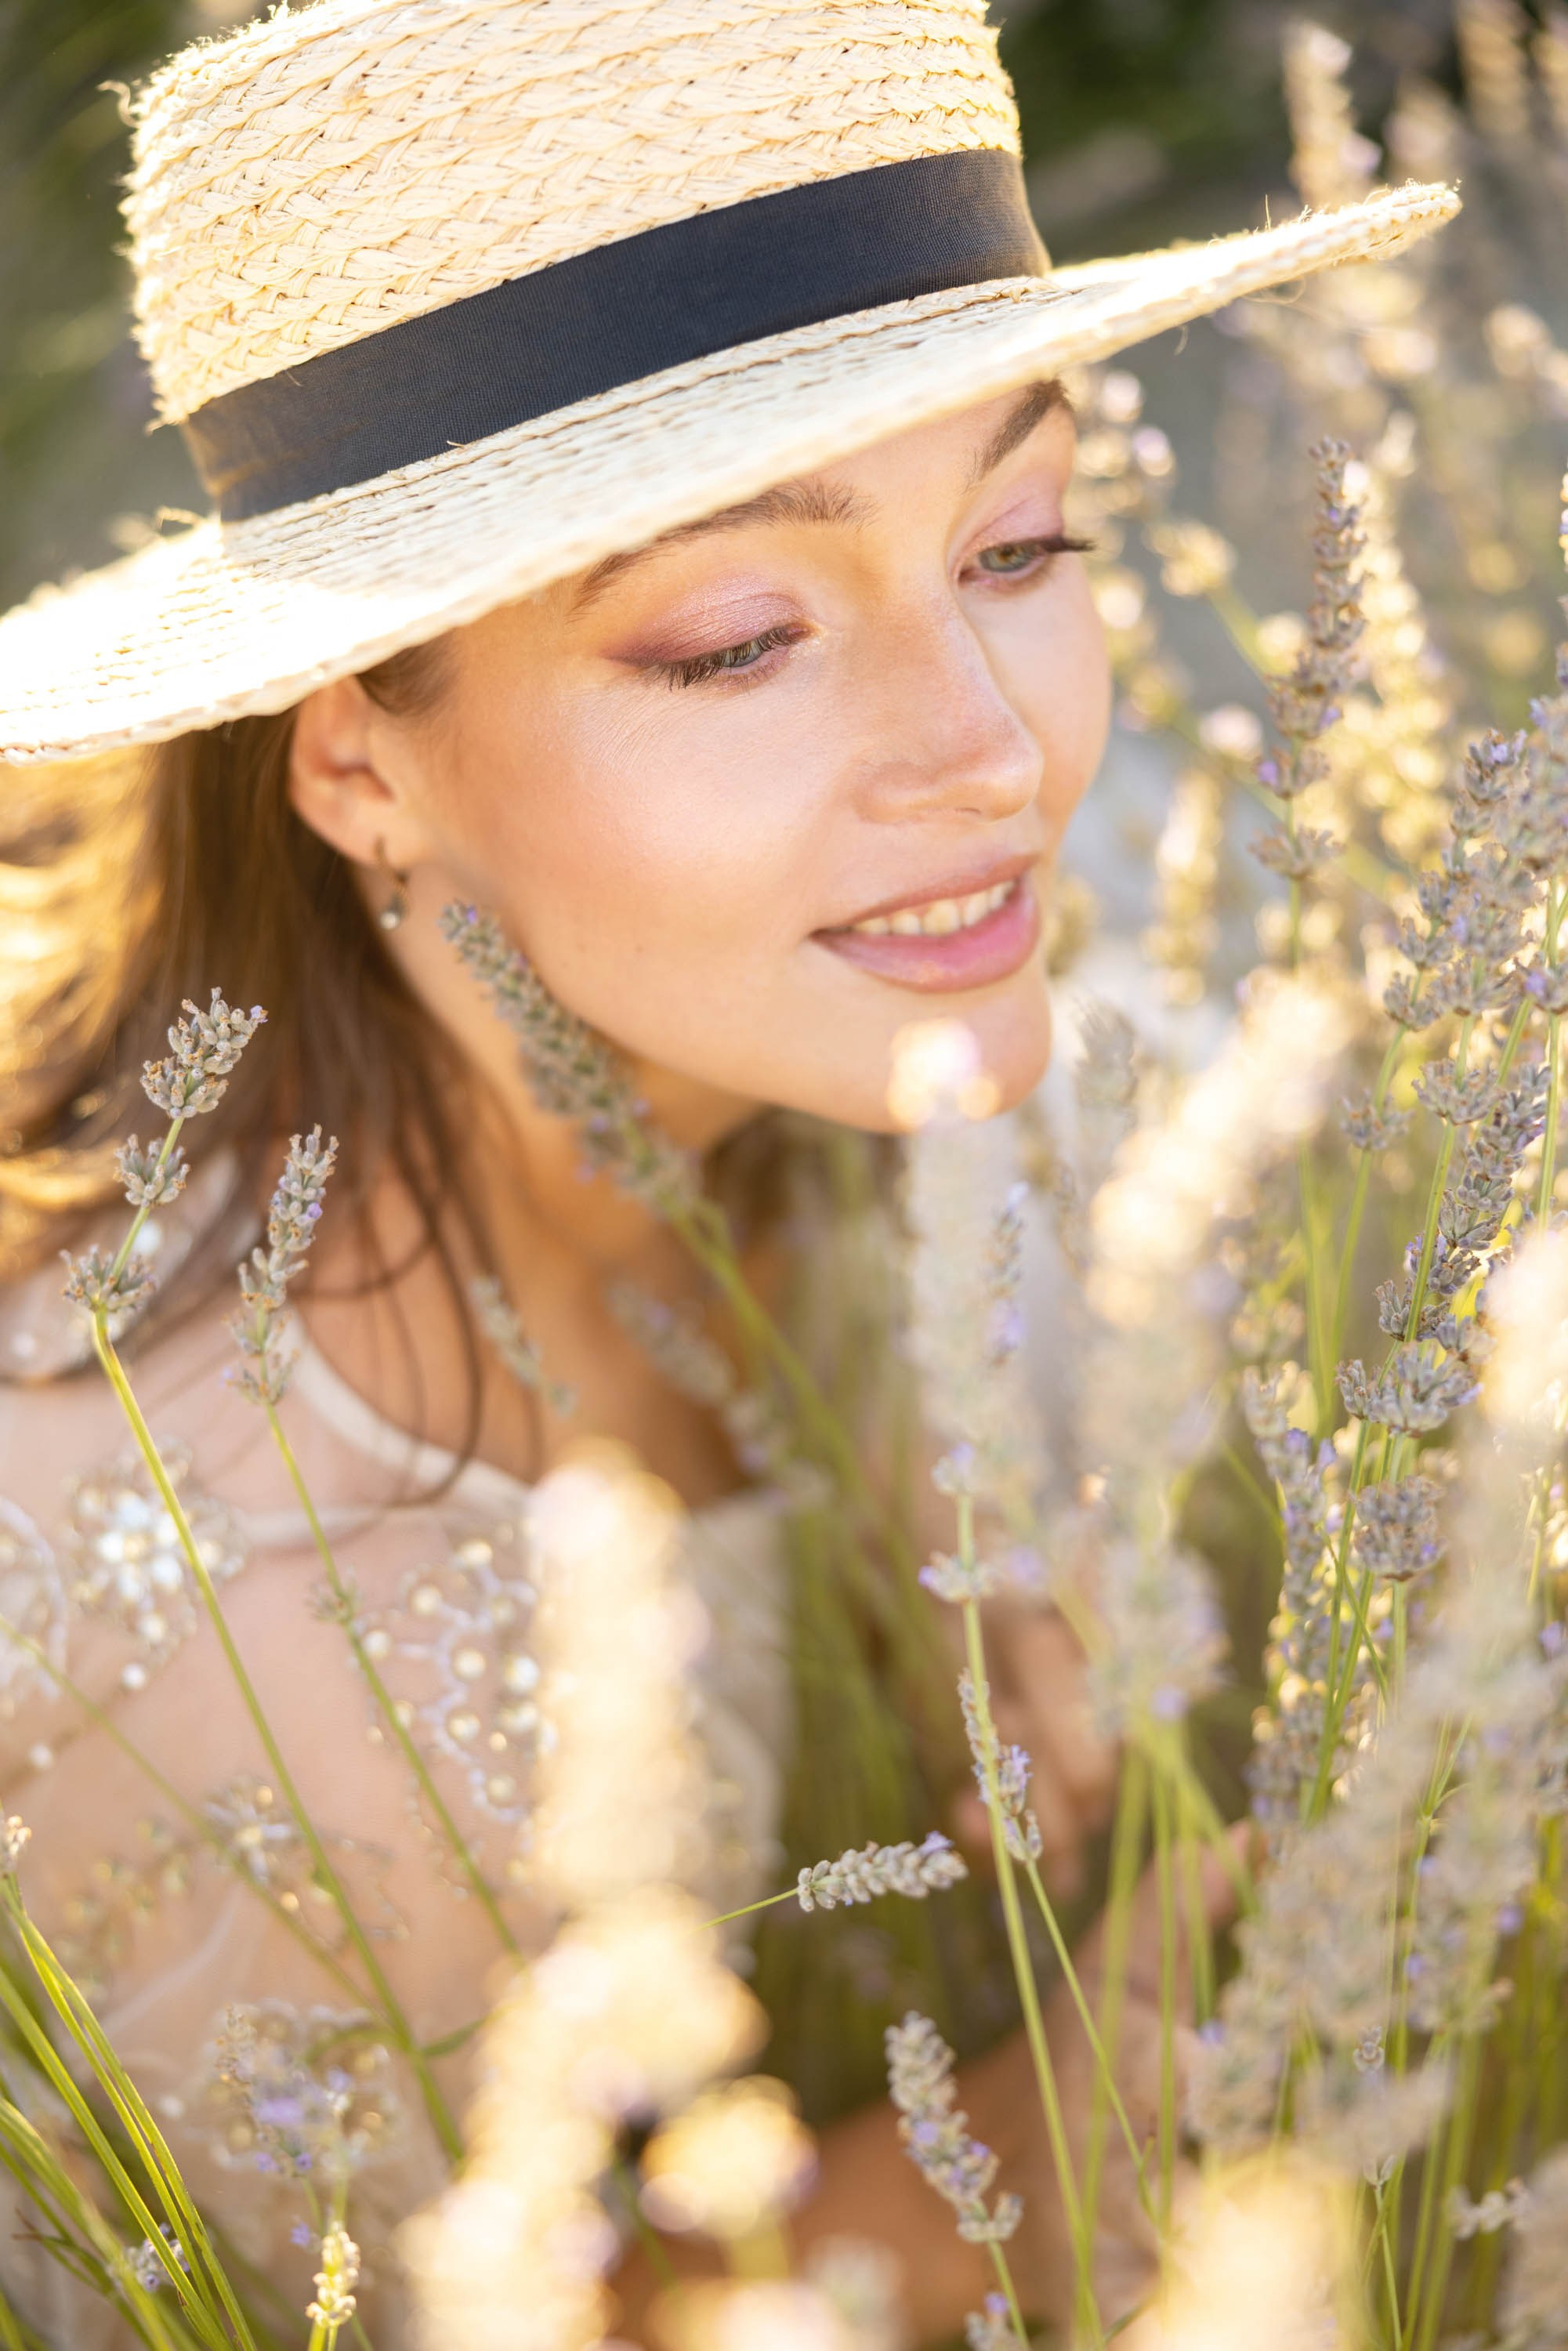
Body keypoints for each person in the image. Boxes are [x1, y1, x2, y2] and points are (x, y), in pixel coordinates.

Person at [0, 2, 1454, 2343]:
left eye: (1019, 540)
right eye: (734, 637)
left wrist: (954, 1483)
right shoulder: (213, 1590)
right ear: (361, 769)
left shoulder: (907, 1105)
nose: (981, 749)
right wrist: (1105, 2104)